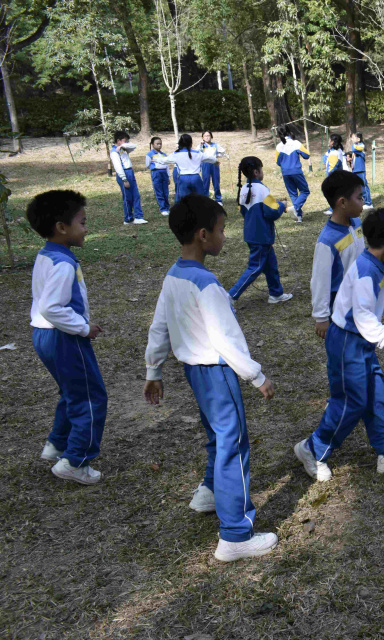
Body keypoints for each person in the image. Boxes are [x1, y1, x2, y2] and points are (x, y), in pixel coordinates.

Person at [143, 194, 279, 562]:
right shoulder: (207, 285)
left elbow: (159, 324)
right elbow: (225, 339)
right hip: (217, 372)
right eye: (221, 229)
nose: (224, 236)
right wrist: (255, 375)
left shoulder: (174, 275)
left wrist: (154, 369)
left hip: (195, 372)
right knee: (233, 443)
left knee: (218, 435)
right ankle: (235, 535)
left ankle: (209, 491)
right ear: (203, 235)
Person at [293, 206, 384, 482]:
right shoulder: (367, 270)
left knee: (375, 394)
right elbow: (362, 316)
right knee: (350, 401)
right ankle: (313, 449)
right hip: (347, 342)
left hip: (360, 342)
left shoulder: (372, 262)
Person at [27, 190, 108, 485]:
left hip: (44, 335)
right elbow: (51, 307)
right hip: (64, 339)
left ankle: (57, 444)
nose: (86, 228)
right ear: (62, 227)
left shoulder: (47, 254)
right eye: (82, 222)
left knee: (71, 392)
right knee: (91, 397)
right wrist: (83, 328)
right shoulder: (63, 264)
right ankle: (76, 461)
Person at [227, 156, 294, 304]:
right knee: (255, 267)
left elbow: (242, 211)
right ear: (257, 172)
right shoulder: (262, 189)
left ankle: (276, 294)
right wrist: (282, 205)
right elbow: (272, 212)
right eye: (261, 169)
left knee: (271, 265)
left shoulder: (243, 189)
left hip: (251, 234)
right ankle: (230, 296)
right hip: (261, 235)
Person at [309, 170, 366, 342]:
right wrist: (321, 317)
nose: (363, 201)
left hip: (359, 298)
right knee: (345, 345)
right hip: (341, 306)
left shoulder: (356, 223)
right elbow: (320, 281)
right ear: (342, 202)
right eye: (360, 197)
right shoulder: (327, 241)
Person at [152, 134, 218, 201]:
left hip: (183, 179)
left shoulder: (176, 154)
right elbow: (210, 158)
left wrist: (155, 159)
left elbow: (164, 160)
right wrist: (215, 161)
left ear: (180, 143)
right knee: (200, 199)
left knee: (183, 201)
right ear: (191, 143)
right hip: (196, 178)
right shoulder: (197, 153)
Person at [110, 131, 146, 225]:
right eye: (125, 141)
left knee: (136, 195)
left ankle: (138, 217)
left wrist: (123, 145)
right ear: (118, 140)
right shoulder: (114, 152)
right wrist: (124, 179)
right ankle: (128, 218)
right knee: (127, 197)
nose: (127, 143)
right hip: (124, 174)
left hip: (130, 172)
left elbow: (134, 146)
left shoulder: (123, 148)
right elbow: (118, 167)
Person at [275, 127, 310, 223]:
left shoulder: (279, 146)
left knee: (293, 194)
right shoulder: (296, 143)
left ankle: (299, 218)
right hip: (296, 171)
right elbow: (307, 155)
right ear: (289, 131)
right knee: (305, 191)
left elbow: (277, 162)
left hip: (285, 173)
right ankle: (295, 207)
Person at [145, 136, 171, 216]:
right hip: (156, 173)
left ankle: (167, 207)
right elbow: (147, 165)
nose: (159, 145)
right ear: (153, 144)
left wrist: (168, 176)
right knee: (159, 191)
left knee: (165, 191)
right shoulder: (150, 154)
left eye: (160, 144)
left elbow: (167, 166)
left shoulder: (164, 154)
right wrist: (154, 167)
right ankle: (163, 208)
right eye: (157, 144)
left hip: (164, 173)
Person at [322, 134, 345, 216]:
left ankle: (333, 209)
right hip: (337, 175)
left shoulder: (335, 153)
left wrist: (329, 177)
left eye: (329, 140)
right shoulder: (335, 151)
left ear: (332, 142)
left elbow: (332, 167)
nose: (328, 142)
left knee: (334, 193)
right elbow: (324, 159)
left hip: (334, 176)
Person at [200, 131, 225, 205]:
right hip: (205, 164)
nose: (207, 137)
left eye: (208, 135)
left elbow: (223, 152)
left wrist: (217, 156)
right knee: (205, 182)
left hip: (214, 164)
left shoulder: (215, 145)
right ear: (203, 137)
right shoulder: (202, 145)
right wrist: (200, 145)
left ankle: (218, 199)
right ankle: (205, 199)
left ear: (211, 136)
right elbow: (197, 152)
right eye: (205, 136)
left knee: (216, 182)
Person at [350, 132, 373, 210]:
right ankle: (362, 201)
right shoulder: (357, 146)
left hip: (360, 169)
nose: (352, 139)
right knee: (357, 187)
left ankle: (368, 203)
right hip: (355, 169)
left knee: (363, 185)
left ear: (358, 139)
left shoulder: (361, 146)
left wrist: (353, 144)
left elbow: (354, 149)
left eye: (353, 137)